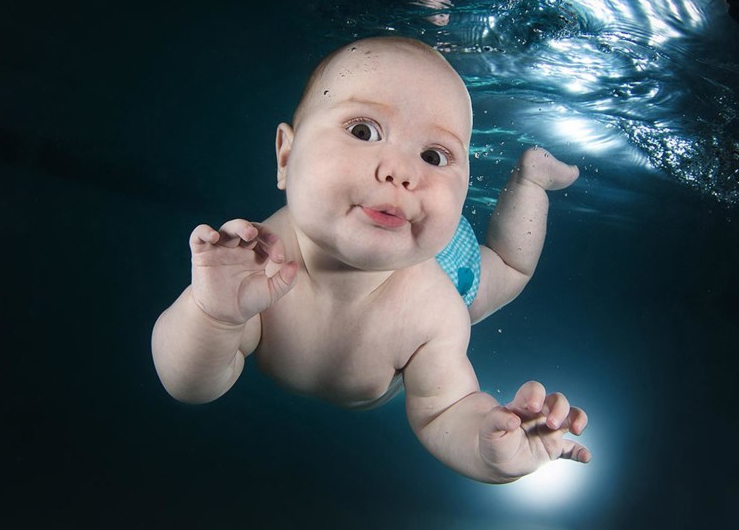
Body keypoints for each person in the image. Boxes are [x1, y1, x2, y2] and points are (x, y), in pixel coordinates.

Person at [151, 36, 591, 483]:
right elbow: (188, 384)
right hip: (405, 222)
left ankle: (530, 179)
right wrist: (213, 315)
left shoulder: (433, 313)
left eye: (434, 156)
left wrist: (489, 445)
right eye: (363, 131)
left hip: (446, 262)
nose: (401, 171)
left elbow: (445, 410)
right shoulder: (252, 268)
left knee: (508, 268)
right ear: (286, 155)